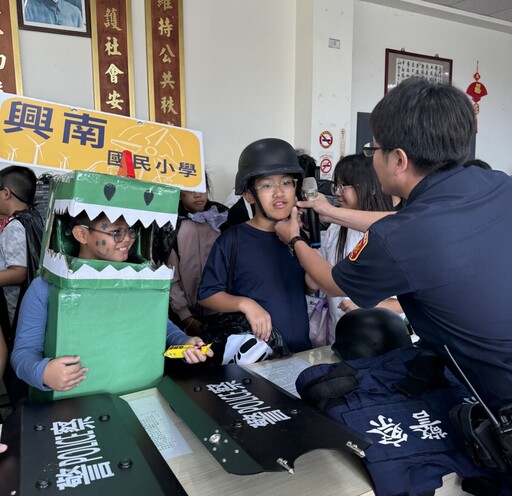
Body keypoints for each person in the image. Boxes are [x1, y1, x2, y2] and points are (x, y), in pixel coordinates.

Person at [275, 78, 512, 484]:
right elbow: (411, 226)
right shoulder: (498, 186)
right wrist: (333, 214)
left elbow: (332, 281)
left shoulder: (400, 237)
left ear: (398, 159)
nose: (373, 158)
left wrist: (294, 238)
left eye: (375, 149)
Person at [11, 212, 212, 394]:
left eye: (131, 231)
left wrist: (183, 342)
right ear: (82, 235)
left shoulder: (140, 279)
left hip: (138, 395)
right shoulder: (46, 286)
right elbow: (23, 353)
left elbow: (159, 324)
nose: (128, 239)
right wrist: (43, 373)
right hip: (74, 405)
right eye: (116, 232)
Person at [198, 138, 311, 355]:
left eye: (286, 182)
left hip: (300, 352)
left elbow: (303, 287)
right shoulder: (232, 240)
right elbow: (207, 293)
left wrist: (312, 281)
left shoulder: (298, 237)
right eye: (267, 185)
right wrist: (245, 304)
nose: (279, 193)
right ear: (249, 195)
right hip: (255, 358)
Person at [320, 153, 401, 342]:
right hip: (339, 334)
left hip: (382, 337)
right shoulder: (335, 226)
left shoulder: (391, 230)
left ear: (371, 188)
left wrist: (368, 306)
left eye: (344, 186)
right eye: (336, 185)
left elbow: (407, 302)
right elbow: (322, 278)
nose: (338, 192)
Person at [167, 175, 229, 335]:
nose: (198, 194)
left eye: (202, 188)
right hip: (186, 315)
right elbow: (171, 276)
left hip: (222, 309)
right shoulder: (172, 223)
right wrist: (185, 316)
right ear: (181, 192)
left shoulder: (222, 217)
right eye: (191, 189)